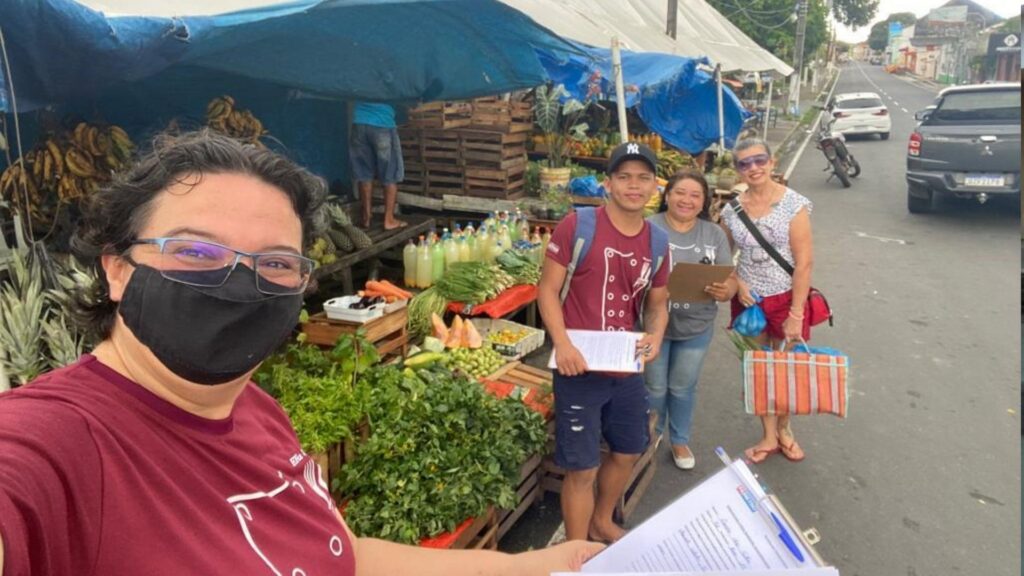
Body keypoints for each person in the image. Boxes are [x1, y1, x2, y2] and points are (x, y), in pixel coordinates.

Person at [0, 130, 602, 575]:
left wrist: (548, 565)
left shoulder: (257, 410)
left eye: (276, 264)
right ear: (117, 270)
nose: (239, 283)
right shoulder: (54, 446)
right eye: (197, 253)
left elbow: (342, 557)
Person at [537, 141, 670, 544]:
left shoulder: (658, 243)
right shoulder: (578, 227)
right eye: (625, 177)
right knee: (582, 469)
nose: (634, 185)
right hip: (578, 368)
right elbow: (546, 290)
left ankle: (600, 520)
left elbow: (658, 305)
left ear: (653, 187)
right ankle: (576, 553)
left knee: (629, 450)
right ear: (608, 183)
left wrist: (656, 335)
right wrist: (561, 343)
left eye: (643, 178)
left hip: (624, 366)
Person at [719, 138, 814, 465]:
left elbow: (804, 263)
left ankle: (785, 430)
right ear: (738, 170)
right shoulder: (731, 210)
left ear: (772, 163)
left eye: (759, 160)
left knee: (786, 370)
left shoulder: (793, 204)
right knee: (758, 370)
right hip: (750, 303)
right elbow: (722, 257)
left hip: (787, 299)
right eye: (745, 163)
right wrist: (737, 281)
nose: (753, 168)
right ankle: (768, 434)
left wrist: (796, 313)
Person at [645, 170, 737, 471]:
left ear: (704, 202)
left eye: (695, 195)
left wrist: (726, 291)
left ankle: (679, 439)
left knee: (682, 387)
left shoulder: (713, 234)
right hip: (652, 327)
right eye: (680, 192)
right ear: (667, 195)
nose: (687, 200)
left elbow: (731, 278)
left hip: (696, 326)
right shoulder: (647, 228)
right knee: (654, 387)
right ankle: (652, 436)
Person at [350, 101, 406, 230]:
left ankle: (367, 218)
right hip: (382, 124)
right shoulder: (390, 79)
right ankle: (389, 220)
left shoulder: (362, 79)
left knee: (363, 174)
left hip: (359, 124)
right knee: (390, 174)